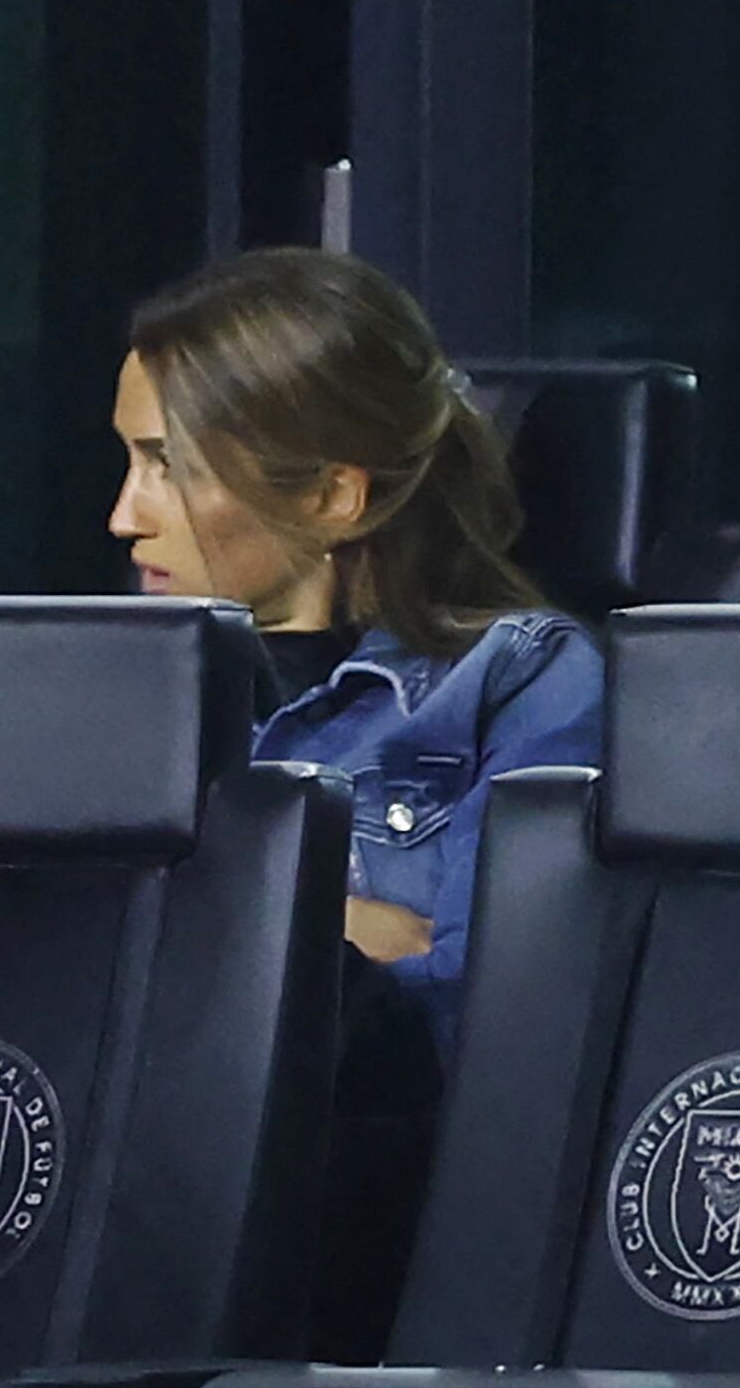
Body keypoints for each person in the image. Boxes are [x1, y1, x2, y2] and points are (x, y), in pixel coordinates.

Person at [110, 247, 604, 1050]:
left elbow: (487, 1027)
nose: (125, 517)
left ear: (331, 495)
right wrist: (332, 924)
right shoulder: (104, 687)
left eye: (168, 467)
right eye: (130, 463)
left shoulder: (517, 682)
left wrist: (198, 908)